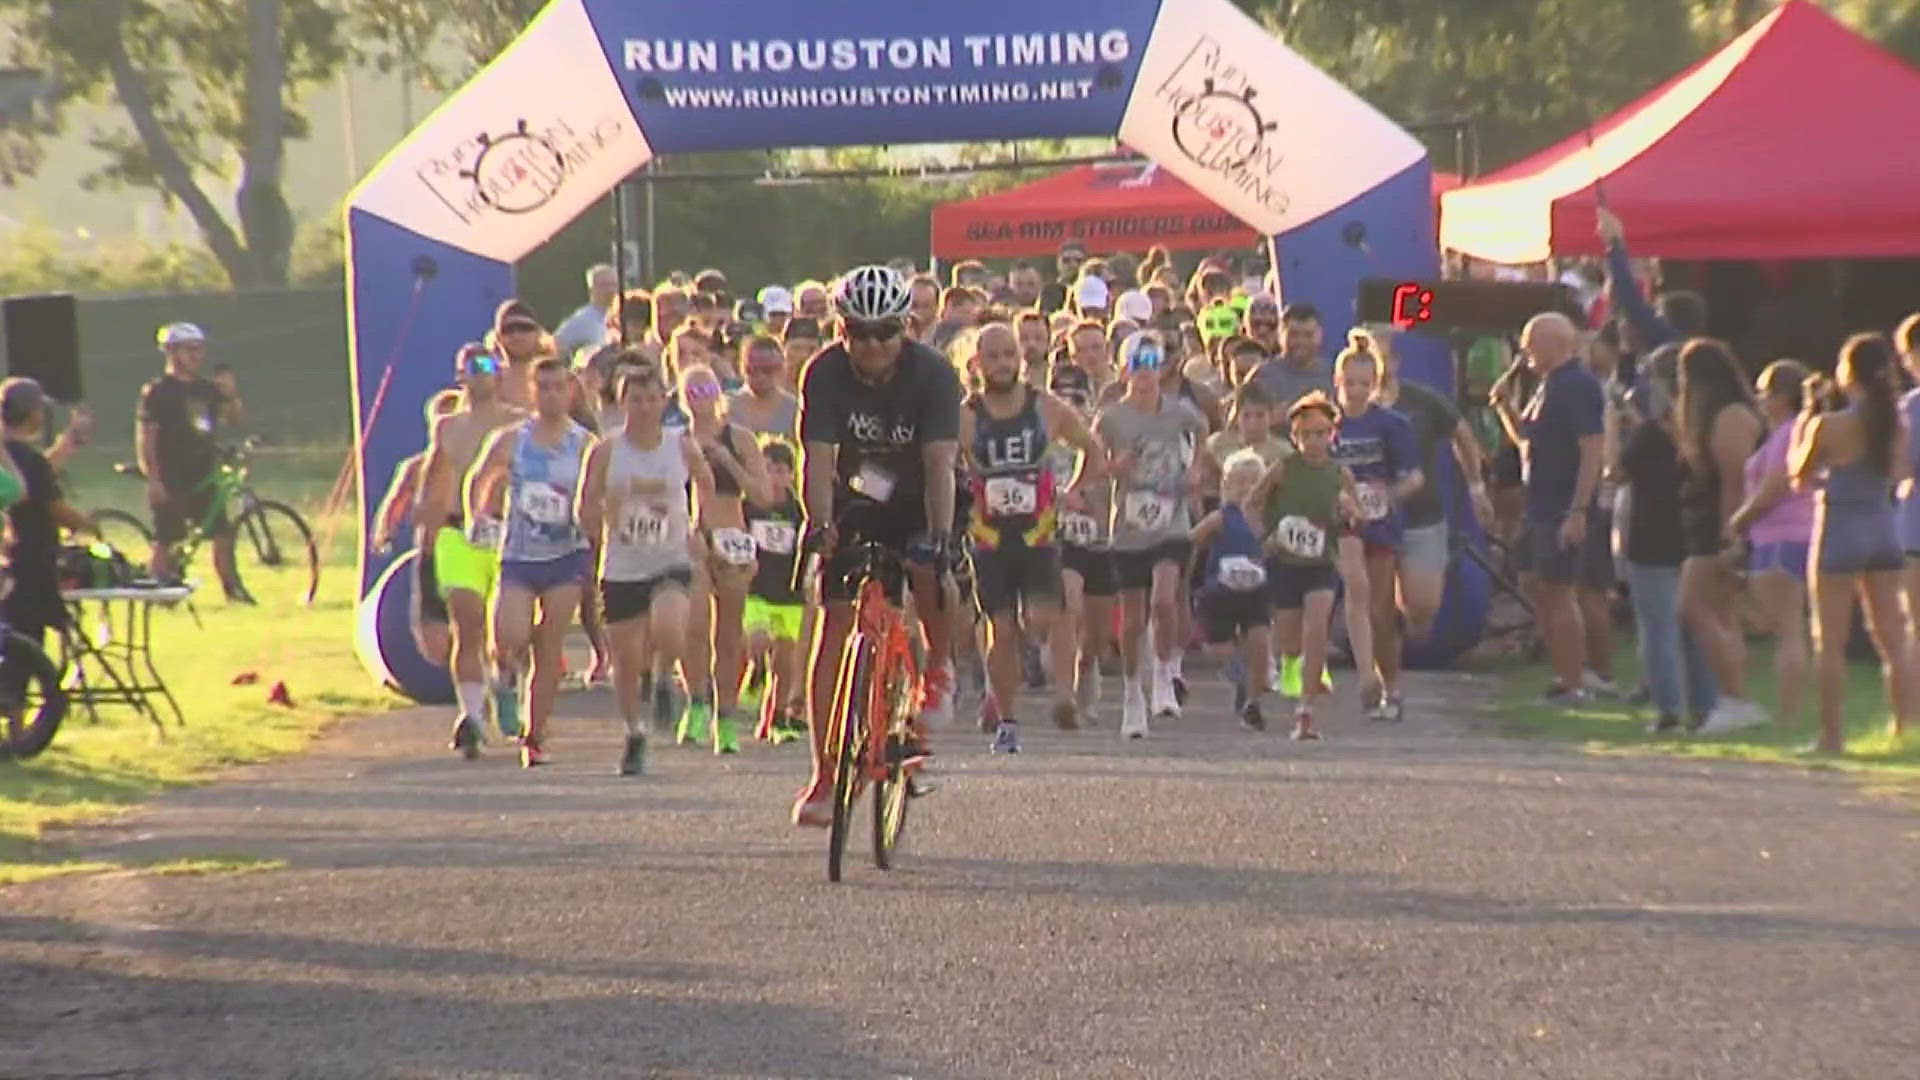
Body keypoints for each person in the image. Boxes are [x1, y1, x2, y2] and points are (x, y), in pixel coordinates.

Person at [792, 265, 962, 827]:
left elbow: (940, 462)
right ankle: (823, 773)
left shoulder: (933, 374)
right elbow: (816, 461)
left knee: (931, 571)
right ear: (841, 330)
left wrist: (938, 539)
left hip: (919, 492)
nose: (871, 346)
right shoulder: (824, 373)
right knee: (833, 622)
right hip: (857, 493)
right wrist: (818, 526)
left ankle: (938, 669)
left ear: (905, 327)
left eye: (884, 333)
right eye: (857, 333)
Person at [956, 323, 1103, 752]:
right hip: (988, 538)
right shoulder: (965, 416)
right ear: (976, 363)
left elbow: (1091, 447)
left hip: (1037, 532)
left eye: (1009, 355)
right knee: (999, 627)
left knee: (1039, 621)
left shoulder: (1045, 408)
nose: (1003, 364)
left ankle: (1038, 683)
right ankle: (1007, 718)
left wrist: (1073, 491)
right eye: (993, 356)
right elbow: (942, 461)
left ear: (1021, 359)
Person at [576, 358, 714, 776]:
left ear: (664, 402)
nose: (646, 407)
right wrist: (599, 521)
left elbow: (706, 482)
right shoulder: (606, 450)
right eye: (636, 399)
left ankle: (664, 675)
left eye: (653, 399)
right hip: (622, 564)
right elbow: (586, 499)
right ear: (623, 403)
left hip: (669, 556)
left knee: (671, 626)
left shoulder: (681, 445)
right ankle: (634, 732)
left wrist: (699, 526)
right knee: (625, 656)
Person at [1790, 334, 1916, 754]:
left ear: (1848, 372)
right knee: (1894, 636)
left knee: (1830, 640)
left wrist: (1808, 415)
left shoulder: (1832, 424)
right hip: (1881, 523)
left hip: (1840, 521)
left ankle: (1832, 736)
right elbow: (1900, 473)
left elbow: (1799, 476)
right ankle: (1907, 726)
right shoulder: (1894, 422)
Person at [464, 358, 593, 767]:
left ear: (570, 392)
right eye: (545, 387)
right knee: (510, 635)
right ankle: (503, 679)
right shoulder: (511, 439)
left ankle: (534, 735)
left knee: (549, 643)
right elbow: (479, 477)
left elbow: (599, 493)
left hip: (566, 555)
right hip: (519, 554)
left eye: (560, 387)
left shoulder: (584, 443)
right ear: (532, 392)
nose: (552, 395)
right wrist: (478, 515)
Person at [1095, 331, 1208, 738]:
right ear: (1124, 370)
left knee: (1164, 601)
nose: (1145, 375)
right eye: (1137, 367)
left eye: (1152, 366)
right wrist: (1114, 467)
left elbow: (1204, 431)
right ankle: (1131, 695)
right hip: (1128, 525)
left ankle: (1163, 675)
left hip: (1171, 519)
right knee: (1132, 618)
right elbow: (1091, 466)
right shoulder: (1111, 418)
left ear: (1162, 369)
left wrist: (1195, 468)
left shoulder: (1179, 412)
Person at [417, 344, 527, 756]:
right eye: (471, 367)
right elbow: (434, 475)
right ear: (459, 375)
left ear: (499, 374)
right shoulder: (448, 427)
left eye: (487, 365)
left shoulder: (519, 424)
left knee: (507, 631)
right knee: (467, 624)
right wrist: (425, 525)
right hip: (458, 535)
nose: (479, 373)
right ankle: (471, 717)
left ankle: (505, 679)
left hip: (506, 534)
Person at [1490, 313, 1605, 706]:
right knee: (1534, 584)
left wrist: (1578, 510)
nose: (1524, 353)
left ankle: (1575, 682)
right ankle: (1563, 672)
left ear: (1555, 343)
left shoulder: (1577, 385)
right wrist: (1505, 409)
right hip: (1537, 504)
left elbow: (1592, 449)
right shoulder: (1546, 386)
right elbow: (1528, 439)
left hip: (1561, 505)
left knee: (1559, 592)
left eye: (1529, 344)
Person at [1371, 328, 1494, 644]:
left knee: (1424, 606)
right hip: (1369, 521)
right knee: (1375, 607)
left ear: (1395, 362)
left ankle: (1411, 649)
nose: (1377, 367)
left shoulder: (1422, 401)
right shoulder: (1348, 407)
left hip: (1421, 516)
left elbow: (1463, 436)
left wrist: (1476, 487)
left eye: (1383, 359)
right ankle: (1384, 667)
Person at [677, 363, 772, 753]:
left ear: (720, 394)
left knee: (728, 636)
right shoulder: (677, 441)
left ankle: (726, 716)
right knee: (693, 628)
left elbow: (763, 495)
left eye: (707, 391)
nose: (700, 400)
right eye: (692, 393)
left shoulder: (741, 438)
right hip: (693, 539)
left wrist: (725, 459)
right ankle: (697, 703)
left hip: (733, 537)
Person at [1617, 366, 1717, 733]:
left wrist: (1619, 426)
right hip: (1693, 538)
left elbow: (1616, 472)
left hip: (1649, 538)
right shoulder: (1704, 435)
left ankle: (1669, 710)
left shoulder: (1648, 436)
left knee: (1658, 628)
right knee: (1695, 625)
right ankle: (1704, 707)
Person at [1674, 340, 1768, 730]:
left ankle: (1735, 698)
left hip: (1720, 526)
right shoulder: (1713, 415)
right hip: (1705, 523)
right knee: (1721, 612)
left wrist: (1732, 537)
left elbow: (1735, 481)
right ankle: (1733, 697)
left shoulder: (1729, 416)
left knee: (1693, 606)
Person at [1330, 332, 1422, 720]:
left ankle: (1391, 686)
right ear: (1337, 383)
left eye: (1364, 384)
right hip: (1335, 524)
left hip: (1379, 525)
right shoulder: (1324, 423)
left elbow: (1414, 477)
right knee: (1324, 602)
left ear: (1376, 385)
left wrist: (1388, 497)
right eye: (1349, 383)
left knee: (1380, 608)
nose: (1355, 391)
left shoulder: (1392, 424)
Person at [1255, 391, 1355, 740]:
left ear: (1332, 435)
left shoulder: (1340, 475)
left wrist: (1348, 515)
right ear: (1294, 438)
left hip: (1321, 562)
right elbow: (1253, 503)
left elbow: (1357, 519)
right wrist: (1264, 538)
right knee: (1290, 642)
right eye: (1307, 434)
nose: (1315, 441)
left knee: (1317, 625)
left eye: (1322, 433)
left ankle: (1307, 710)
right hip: (1285, 563)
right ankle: (1294, 669)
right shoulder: (1283, 470)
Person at [1723, 360, 1815, 735]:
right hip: (1783, 537)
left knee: (1788, 629)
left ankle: (1788, 715)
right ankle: (1788, 710)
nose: (1759, 400)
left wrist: (1738, 521)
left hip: (1780, 536)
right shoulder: (1786, 432)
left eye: (1764, 392)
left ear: (1781, 397)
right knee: (1782, 625)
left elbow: (1774, 486)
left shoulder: (1788, 434)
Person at [1, 379, 98, 698]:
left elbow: (34, 476)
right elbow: (51, 503)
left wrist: (69, 441)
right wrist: (86, 525)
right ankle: (16, 727)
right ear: (31, 413)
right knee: (25, 644)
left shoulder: (12, 455)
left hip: (11, 563)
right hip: (29, 561)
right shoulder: (26, 459)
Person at [138, 322, 245, 600]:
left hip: (203, 469)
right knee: (167, 537)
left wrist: (230, 393)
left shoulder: (206, 389)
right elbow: (147, 437)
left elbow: (233, 419)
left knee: (222, 534)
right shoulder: (158, 392)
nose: (197, 356)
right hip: (171, 472)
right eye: (190, 350)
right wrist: (153, 479)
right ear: (171, 352)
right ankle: (158, 589)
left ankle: (233, 590)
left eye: (200, 350)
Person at [371, 389, 464, 664]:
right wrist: (384, 531)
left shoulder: (477, 459)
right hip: (432, 552)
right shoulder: (415, 467)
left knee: (471, 624)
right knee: (434, 642)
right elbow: (395, 501)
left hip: (468, 547)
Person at [1188, 451, 1277, 730]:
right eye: (1239, 483)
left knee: (1261, 642)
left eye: (1253, 483)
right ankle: (1239, 678)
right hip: (1220, 592)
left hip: (1256, 593)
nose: (1246, 489)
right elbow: (1193, 539)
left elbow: (1275, 548)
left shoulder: (1266, 519)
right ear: (1226, 487)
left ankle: (1253, 701)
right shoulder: (1222, 517)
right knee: (1217, 647)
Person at [742, 438, 808, 741]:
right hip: (756, 589)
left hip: (789, 593)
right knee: (759, 640)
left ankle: (777, 719)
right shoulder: (749, 506)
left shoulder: (798, 510)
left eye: (782, 471)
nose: (776, 477)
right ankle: (756, 667)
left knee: (785, 661)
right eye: (769, 470)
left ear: (792, 475)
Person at [1248, 303, 1335, 411]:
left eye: (1308, 335)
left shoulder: (1333, 374)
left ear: (1320, 335)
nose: (1301, 341)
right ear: (1280, 335)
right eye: (1294, 334)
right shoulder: (1263, 375)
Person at [726, 336, 799, 443]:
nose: (760, 377)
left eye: (768, 370)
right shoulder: (726, 408)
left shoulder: (795, 410)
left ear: (782, 368)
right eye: (752, 370)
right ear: (741, 368)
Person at [553, 264, 617, 362]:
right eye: (603, 285)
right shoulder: (581, 321)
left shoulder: (625, 318)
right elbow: (555, 346)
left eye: (613, 285)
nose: (610, 290)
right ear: (591, 289)